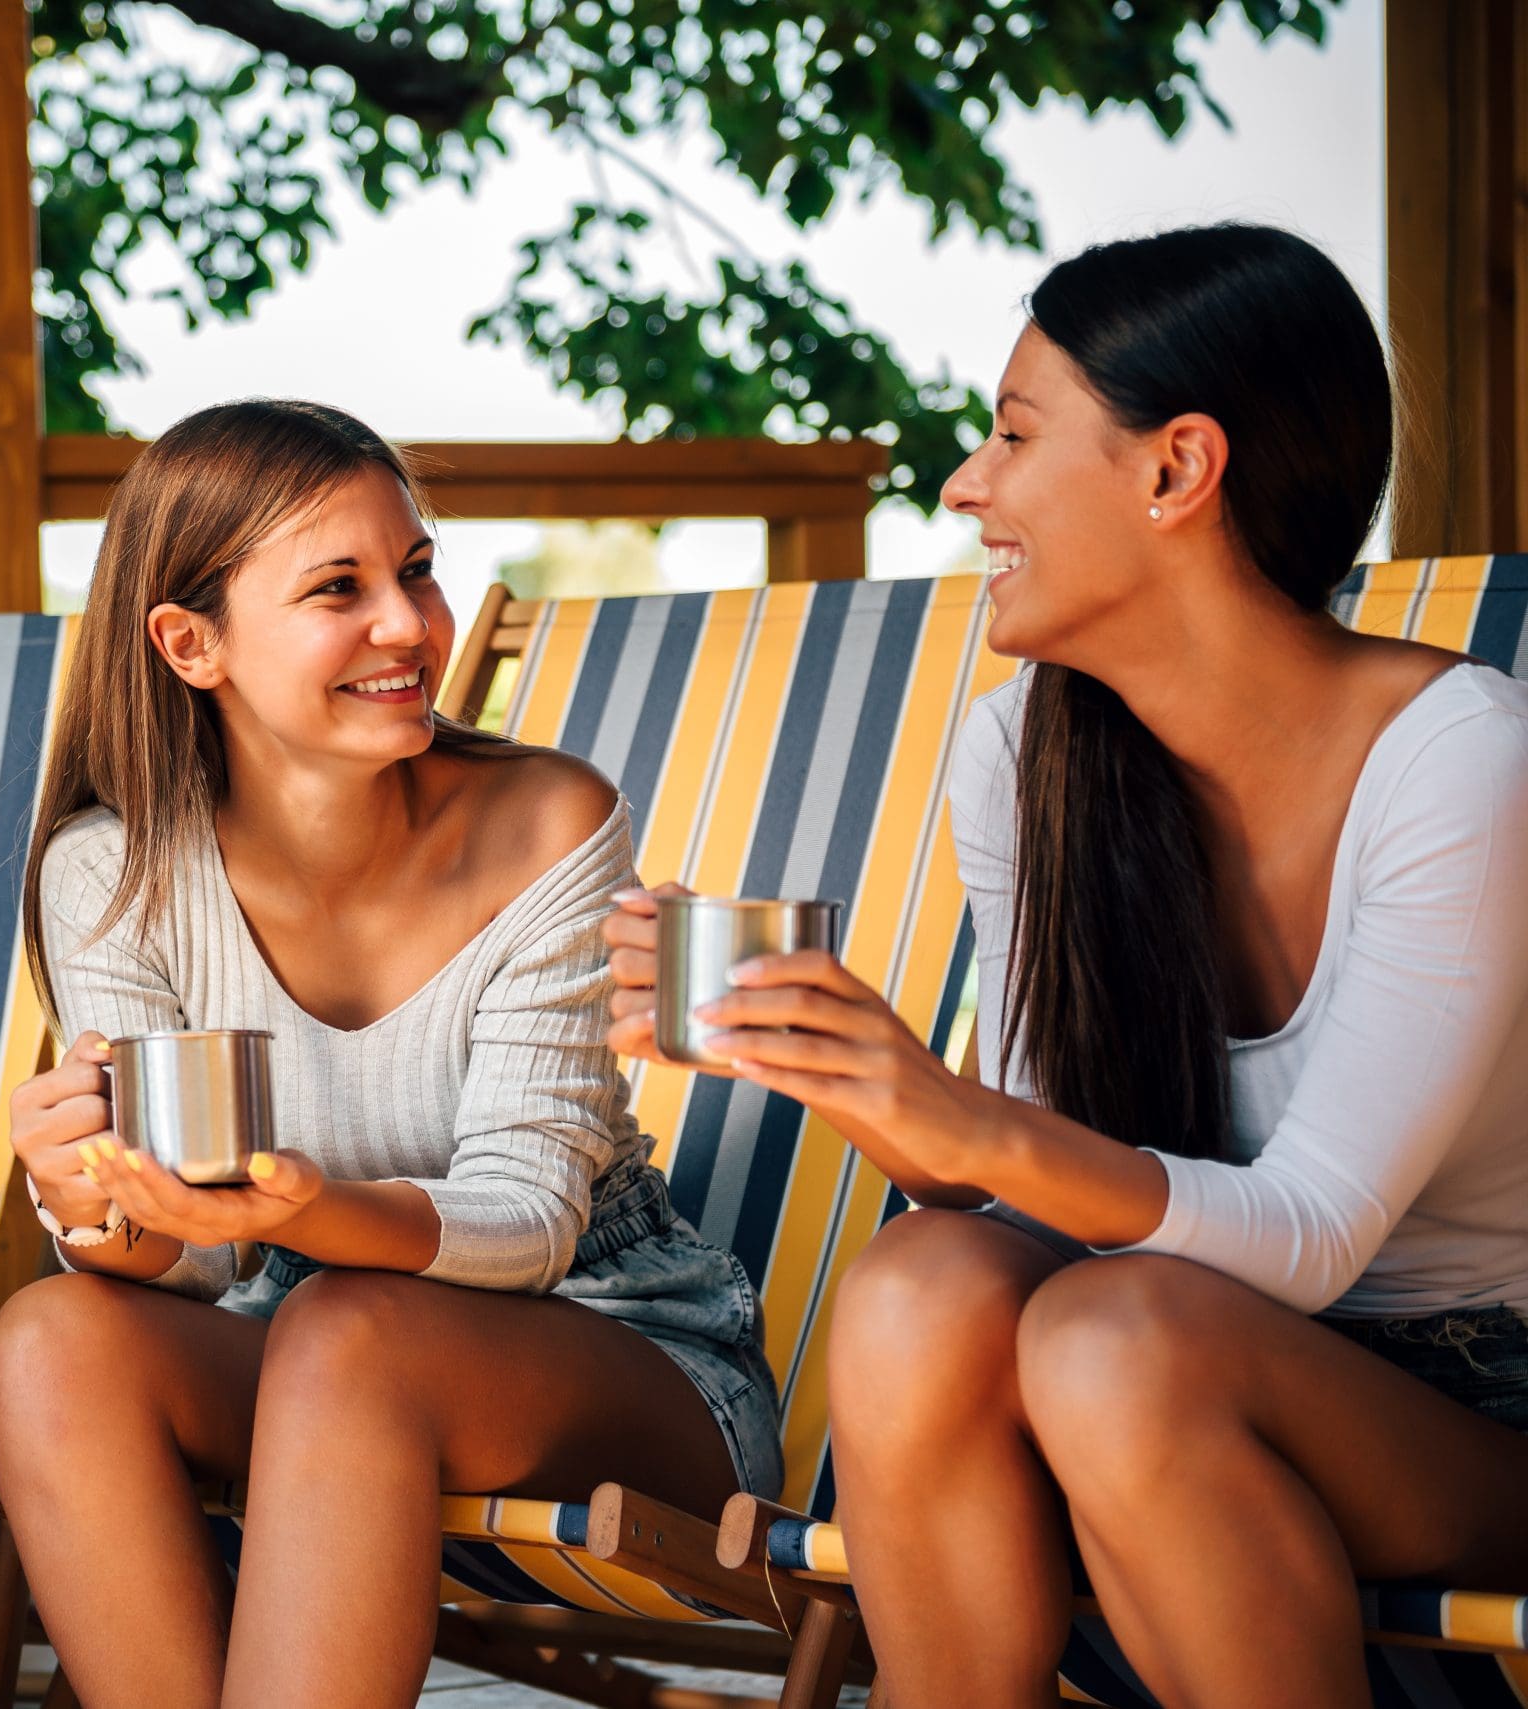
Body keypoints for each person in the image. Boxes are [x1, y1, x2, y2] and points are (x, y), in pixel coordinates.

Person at [602, 224, 1528, 1708]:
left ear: (1177, 471)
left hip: (1470, 1398)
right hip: (1155, 1362)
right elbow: (1050, 1188)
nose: (967, 484)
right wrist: (862, 1084)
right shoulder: (1030, 750)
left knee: (1109, 1336)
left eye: (1015, 435)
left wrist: (963, 1120)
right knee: (923, 1280)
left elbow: (1309, 1234)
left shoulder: (1461, 766)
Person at [0, 398, 780, 1709]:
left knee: (352, 1331)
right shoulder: (109, 871)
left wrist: (309, 1206)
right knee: (55, 1335)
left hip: (612, 1337)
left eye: (414, 569)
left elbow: (528, 1218)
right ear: (191, 643)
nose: (409, 625)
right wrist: (91, 1204)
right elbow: (185, 1256)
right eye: (338, 589)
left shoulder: (544, 822)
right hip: (299, 1331)